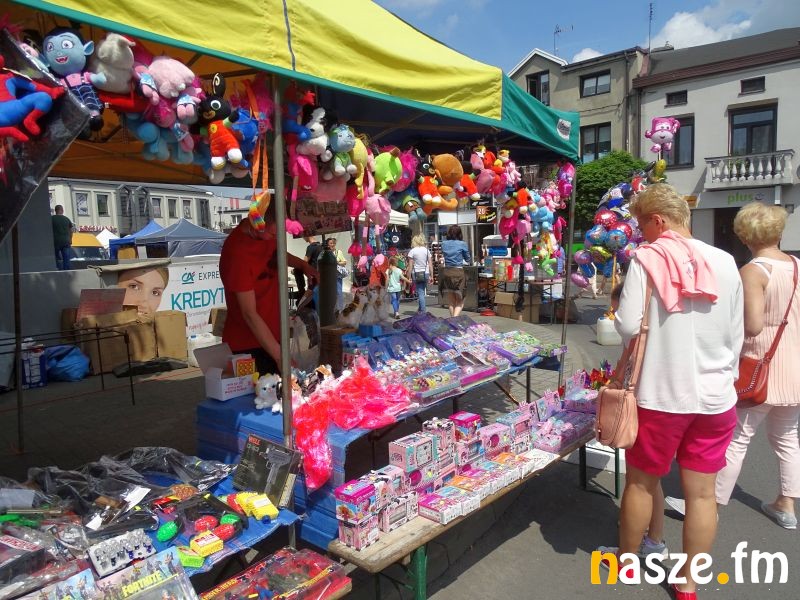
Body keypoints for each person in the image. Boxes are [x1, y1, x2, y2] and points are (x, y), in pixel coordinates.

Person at [599, 184, 743, 600]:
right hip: (717, 398)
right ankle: (687, 584)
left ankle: (628, 562)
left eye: (641, 224)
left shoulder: (647, 259)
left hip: (661, 395)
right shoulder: (725, 261)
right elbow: (737, 332)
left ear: (658, 221)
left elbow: (628, 326)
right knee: (702, 495)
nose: (640, 233)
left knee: (641, 484)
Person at [666, 203, 800, 530]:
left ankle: (708, 505)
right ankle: (787, 506)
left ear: (744, 235)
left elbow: (752, 326)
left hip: (760, 366)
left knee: (736, 438)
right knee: (787, 438)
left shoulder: (754, 271)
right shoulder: (797, 265)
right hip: (794, 365)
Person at [219, 197, 318, 375]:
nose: (277, 238)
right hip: (248, 345)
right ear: (256, 224)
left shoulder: (265, 234)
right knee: (264, 391)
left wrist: (303, 265)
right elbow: (249, 314)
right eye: (274, 234)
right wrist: (280, 357)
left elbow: (277, 253)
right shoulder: (237, 253)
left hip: (273, 336)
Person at [440, 225, 470, 317]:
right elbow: (468, 259)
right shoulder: (462, 244)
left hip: (447, 272)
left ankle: (453, 320)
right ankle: (454, 319)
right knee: (461, 300)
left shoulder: (444, 244)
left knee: (451, 301)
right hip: (458, 272)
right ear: (460, 233)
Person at [407, 234, 433, 312]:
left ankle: (423, 312)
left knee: (420, 293)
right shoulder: (426, 250)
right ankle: (420, 310)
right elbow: (430, 264)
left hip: (416, 273)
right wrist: (432, 276)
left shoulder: (412, 251)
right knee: (421, 291)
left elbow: (410, 266)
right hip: (426, 273)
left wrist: (409, 277)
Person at [326, 237, 347, 313]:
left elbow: (344, 262)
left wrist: (337, 262)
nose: (332, 245)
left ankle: (340, 309)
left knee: (338, 292)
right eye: (330, 243)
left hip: (337, 275)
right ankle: (332, 308)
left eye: (333, 243)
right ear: (327, 245)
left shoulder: (338, 252)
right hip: (328, 275)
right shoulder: (325, 253)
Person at [52, 204, 75, 270]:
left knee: (56, 257)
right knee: (66, 258)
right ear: (62, 210)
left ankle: (57, 269)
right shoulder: (67, 219)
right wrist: (70, 239)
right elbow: (71, 230)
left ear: (55, 211)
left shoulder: (52, 219)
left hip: (55, 242)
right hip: (66, 242)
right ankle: (66, 270)